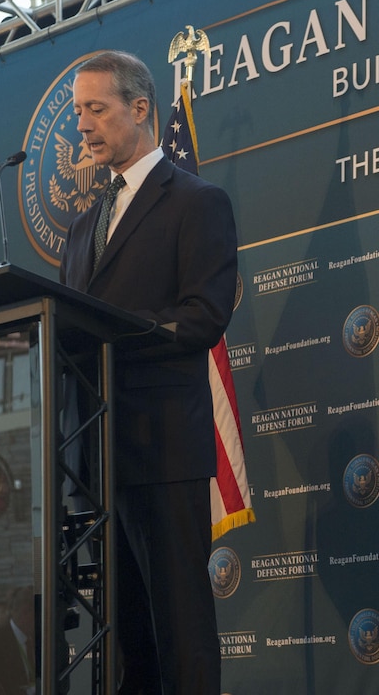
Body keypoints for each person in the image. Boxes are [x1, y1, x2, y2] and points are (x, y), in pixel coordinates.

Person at [58, 50, 237, 695]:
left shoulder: (196, 201)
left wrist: (117, 333)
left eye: (96, 110)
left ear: (141, 109)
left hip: (162, 446)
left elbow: (204, 316)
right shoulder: (81, 231)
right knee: (126, 637)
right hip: (96, 458)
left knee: (180, 629)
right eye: (79, 113)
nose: (83, 126)